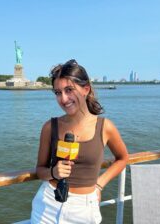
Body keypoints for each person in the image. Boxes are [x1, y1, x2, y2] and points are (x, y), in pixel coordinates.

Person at [31, 59, 128, 223]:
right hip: (47, 204)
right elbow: (40, 170)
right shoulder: (50, 127)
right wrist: (53, 172)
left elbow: (123, 158)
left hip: (84, 209)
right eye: (57, 92)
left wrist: (99, 184)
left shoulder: (104, 127)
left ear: (85, 89)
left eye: (69, 90)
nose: (63, 98)